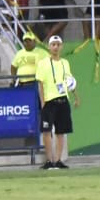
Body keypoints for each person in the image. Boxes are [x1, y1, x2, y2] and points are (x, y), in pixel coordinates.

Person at [36, 35, 81, 169]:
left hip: (63, 100)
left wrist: (76, 96)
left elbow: (69, 81)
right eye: (53, 45)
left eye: (58, 44)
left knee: (61, 131)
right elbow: (40, 83)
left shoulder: (65, 63)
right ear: (49, 47)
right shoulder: (43, 63)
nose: (55, 47)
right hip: (49, 101)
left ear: (61, 46)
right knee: (46, 131)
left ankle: (58, 160)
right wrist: (43, 102)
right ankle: (49, 160)